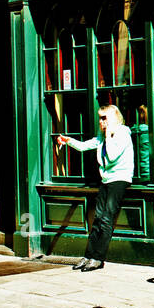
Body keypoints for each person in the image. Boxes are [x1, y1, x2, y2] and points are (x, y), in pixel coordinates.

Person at [55, 105, 133, 271]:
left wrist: (109, 135)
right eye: (100, 118)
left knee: (106, 218)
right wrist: (68, 141)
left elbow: (112, 156)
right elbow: (84, 146)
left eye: (104, 118)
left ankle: (98, 258)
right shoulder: (102, 136)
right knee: (98, 218)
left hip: (119, 179)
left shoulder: (122, 133)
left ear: (113, 119)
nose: (101, 121)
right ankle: (88, 255)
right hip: (106, 180)